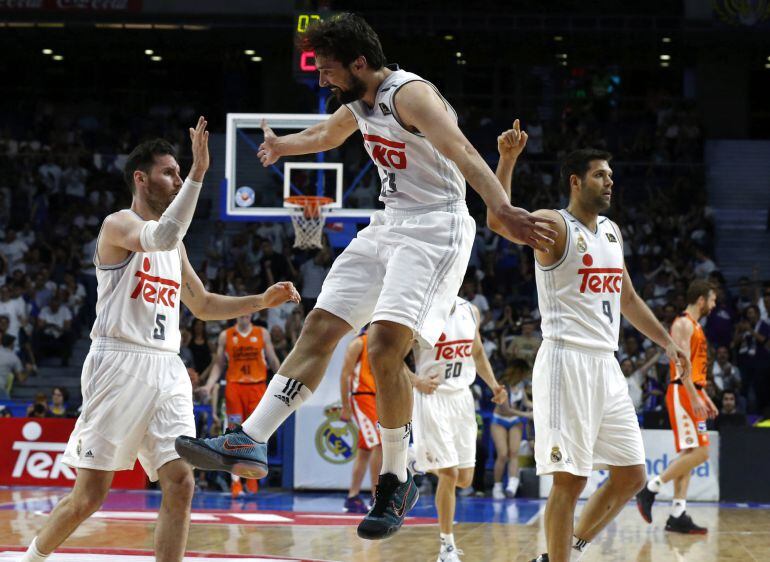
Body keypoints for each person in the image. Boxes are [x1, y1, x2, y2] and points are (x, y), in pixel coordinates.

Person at [174, 13, 555, 540]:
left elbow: (463, 150)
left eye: (329, 70)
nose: (323, 79)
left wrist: (502, 206)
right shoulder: (357, 102)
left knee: (383, 347)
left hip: (436, 228)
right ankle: (250, 439)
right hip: (389, 223)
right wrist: (284, 145)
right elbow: (330, 133)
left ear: (360, 63)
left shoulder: (411, 95)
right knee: (320, 327)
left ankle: (397, 478)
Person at [20, 118, 300, 562]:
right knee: (90, 495)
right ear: (140, 177)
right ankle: (30, 558)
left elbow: (203, 305)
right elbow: (163, 234)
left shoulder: (178, 247)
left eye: (179, 172)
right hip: (119, 362)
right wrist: (199, 174)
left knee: (181, 481)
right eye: (168, 172)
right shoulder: (118, 225)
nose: (175, 179)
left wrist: (260, 302)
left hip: (167, 366)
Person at [488, 122, 691, 562]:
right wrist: (507, 160)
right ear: (576, 181)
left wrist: (666, 343)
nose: (610, 182)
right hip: (566, 359)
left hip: (606, 364)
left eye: (612, 176)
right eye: (601, 175)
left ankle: (568, 550)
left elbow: (628, 297)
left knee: (632, 475)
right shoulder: (553, 225)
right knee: (570, 480)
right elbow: (496, 218)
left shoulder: (613, 232)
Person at [408, 296, 507, 562]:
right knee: (449, 474)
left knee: (464, 479)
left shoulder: (470, 310)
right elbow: (389, 357)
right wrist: (416, 381)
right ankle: (447, 547)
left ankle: (417, 459)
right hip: (433, 397)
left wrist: (494, 385)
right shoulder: (420, 309)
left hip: (463, 399)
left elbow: (476, 353)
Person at [637, 280, 719, 534]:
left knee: (691, 454)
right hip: (681, 391)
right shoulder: (683, 324)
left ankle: (678, 513)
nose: (715, 305)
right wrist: (695, 397)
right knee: (702, 453)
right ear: (702, 300)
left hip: (692, 391)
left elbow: (696, 370)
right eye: (713, 300)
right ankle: (650, 488)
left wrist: (704, 397)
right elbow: (683, 365)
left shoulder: (696, 327)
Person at [203, 313, 281, 497]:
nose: (244, 315)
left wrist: (283, 381)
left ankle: (252, 479)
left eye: (248, 312)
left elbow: (272, 359)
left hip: (257, 387)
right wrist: (209, 384)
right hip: (235, 388)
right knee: (234, 433)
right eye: (241, 312)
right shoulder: (226, 335)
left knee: (256, 433)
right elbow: (218, 364)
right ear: (237, 314)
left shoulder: (262, 333)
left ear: (252, 314)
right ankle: (236, 482)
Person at [339, 328, 382, 514]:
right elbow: (345, 375)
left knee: (365, 450)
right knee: (379, 444)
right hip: (361, 397)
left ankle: (352, 497)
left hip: (375, 397)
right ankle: (376, 497)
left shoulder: (379, 343)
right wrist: (345, 406)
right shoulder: (358, 343)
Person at [490, 358, 532, 499]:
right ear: (519, 372)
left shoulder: (520, 385)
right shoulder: (502, 386)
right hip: (500, 420)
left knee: (514, 453)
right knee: (503, 454)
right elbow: (505, 409)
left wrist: (539, 407)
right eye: (525, 373)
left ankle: (512, 485)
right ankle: (497, 486)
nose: (526, 376)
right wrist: (526, 414)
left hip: (514, 421)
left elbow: (525, 402)